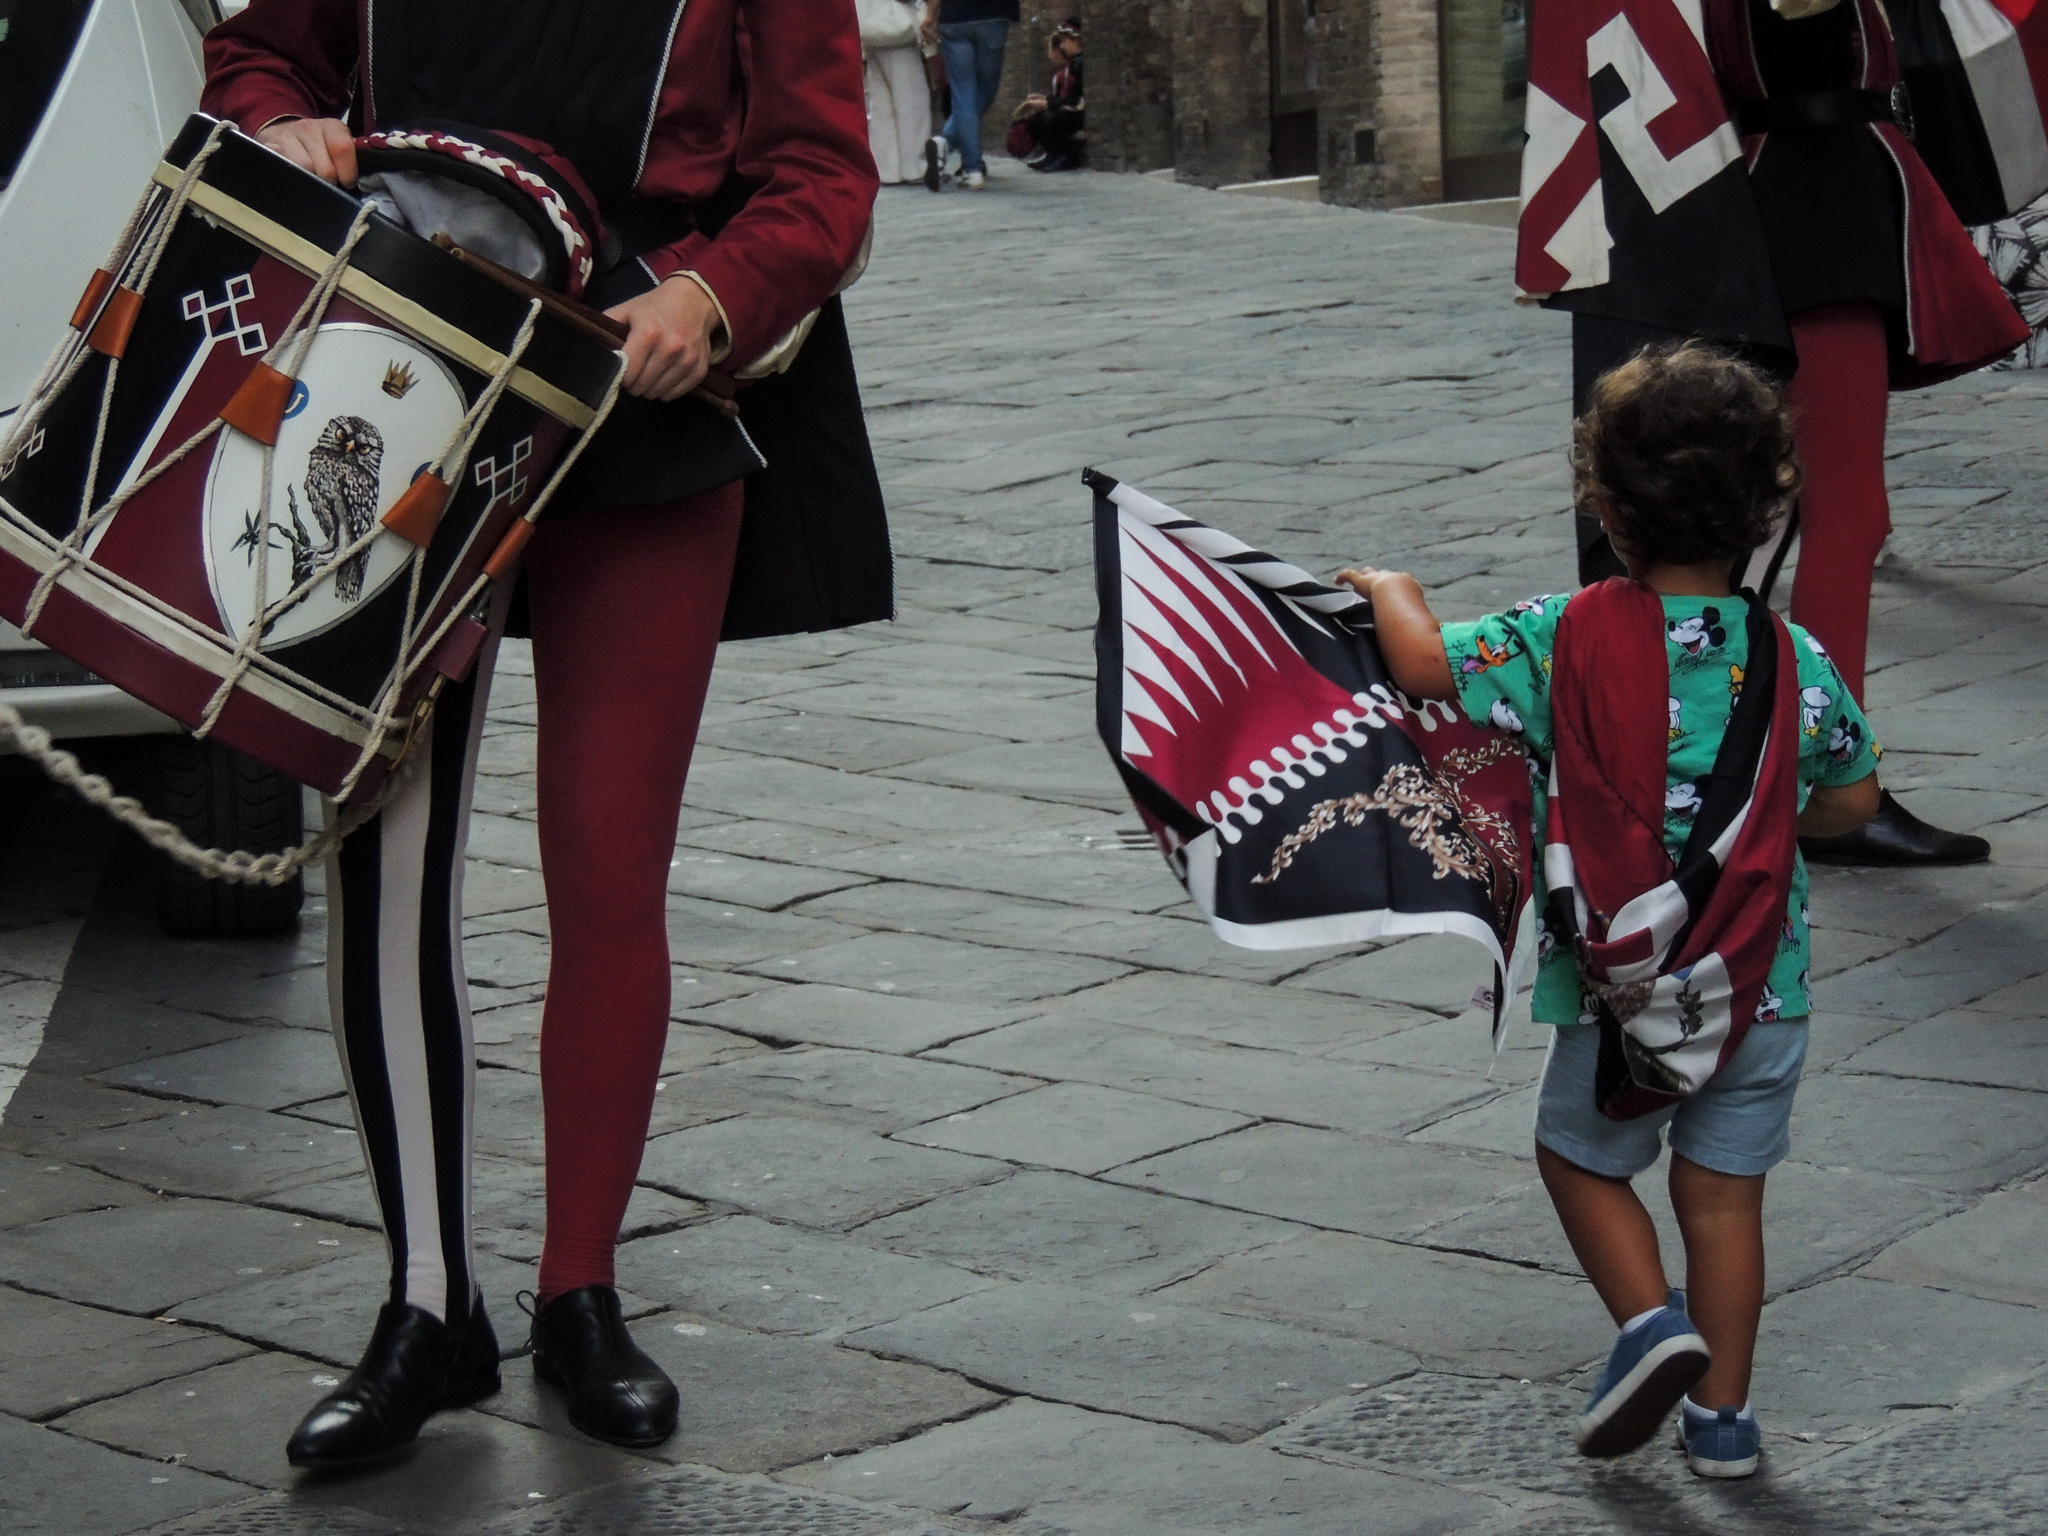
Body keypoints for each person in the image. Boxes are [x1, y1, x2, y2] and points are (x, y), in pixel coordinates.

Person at [201, 0, 885, 1469]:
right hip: (399, 373)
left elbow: (823, 173)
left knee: (608, 864)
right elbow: (262, 53)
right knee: (387, 865)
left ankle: (582, 1290)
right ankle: (426, 1303)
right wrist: (280, 127)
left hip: (640, 381)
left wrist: (713, 296)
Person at [1340, 344, 1881, 1478]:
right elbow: (1852, 799)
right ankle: (1723, 1423)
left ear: (1606, 505)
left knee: (1580, 1160)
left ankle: (1647, 1325)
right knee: (1723, 1201)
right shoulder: (1794, 656)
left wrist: (1392, 588)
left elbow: (1423, 667)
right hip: (1759, 987)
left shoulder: (1561, 634)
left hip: (1617, 989)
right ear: (1767, 505)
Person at [1545, 0, 2027, 867]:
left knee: (1796, 515)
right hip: (1817, 199)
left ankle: (1718, 760)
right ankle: (1821, 784)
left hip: (1812, 191)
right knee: (1840, 516)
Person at [920, 0, 1018, 190]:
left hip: (955, 16)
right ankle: (959, 155)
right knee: (985, 91)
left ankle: (969, 167)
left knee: (963, 94)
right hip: (994, 15)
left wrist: (931, 14)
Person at [862, 0, 932, 184]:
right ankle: (915, 166)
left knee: (882, 106)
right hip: (896, 31)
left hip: (869, 29)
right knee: (911, 102)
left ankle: (887, 169)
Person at [1007, 18, 1084, 172]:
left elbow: (1076, 100)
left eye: (1065, 41)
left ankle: (1065, 156)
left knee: (1051, 118)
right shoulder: (1074, 63)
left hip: (1079, 112)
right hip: (1071, 107)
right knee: (1037, 118)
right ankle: (1052, 154)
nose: (1062, 46)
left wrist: (1048, 104)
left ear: (1075, 40)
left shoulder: (1081, 65)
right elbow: (1066, 98)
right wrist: (1045, 100)